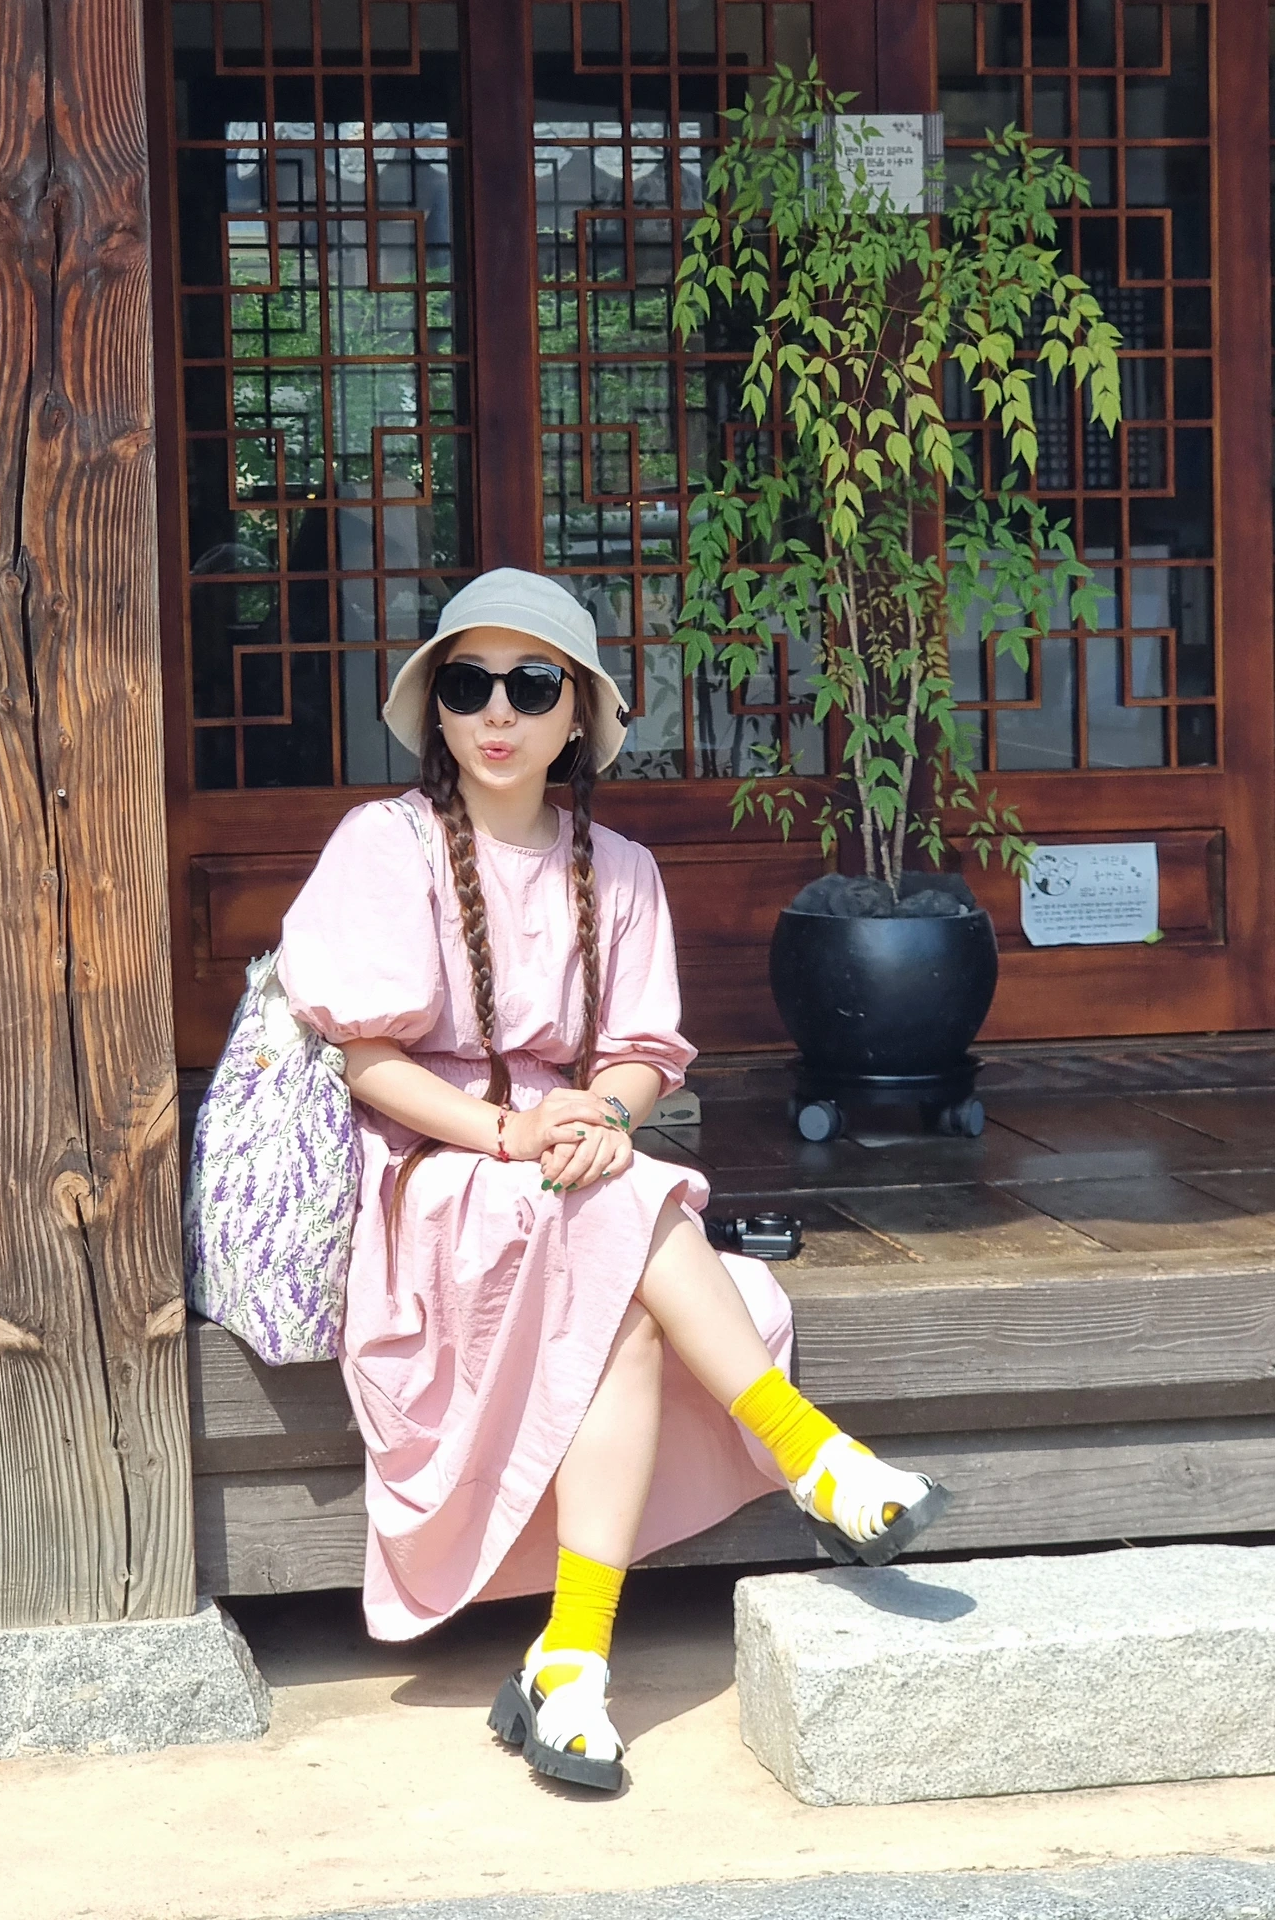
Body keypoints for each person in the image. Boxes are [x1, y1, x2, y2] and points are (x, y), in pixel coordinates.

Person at [278, 568, 945, 1792]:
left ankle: (571, 1661)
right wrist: (516, 1132)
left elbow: (641, 1052)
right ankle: (809, 1452)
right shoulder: (386, 843)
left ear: (576, 712)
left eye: (532, 685)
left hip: (573, 1164)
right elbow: (369, 1061)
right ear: (436, 706)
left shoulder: (620, 866)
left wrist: (601, 1115)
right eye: (468, 683)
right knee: (631, 1206)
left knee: (624, 1293)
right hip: (435, 1170)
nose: (497, 711)